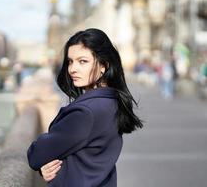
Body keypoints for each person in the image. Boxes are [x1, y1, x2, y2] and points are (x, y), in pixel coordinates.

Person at [27, 28, 143, 187]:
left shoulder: (85, 112)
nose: (72, 69)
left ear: (103, 65)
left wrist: (44, 162)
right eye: (70, 61)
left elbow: (36, 154)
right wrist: (47, 167)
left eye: (83, 61)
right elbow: (84, 155)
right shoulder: (112, 101)